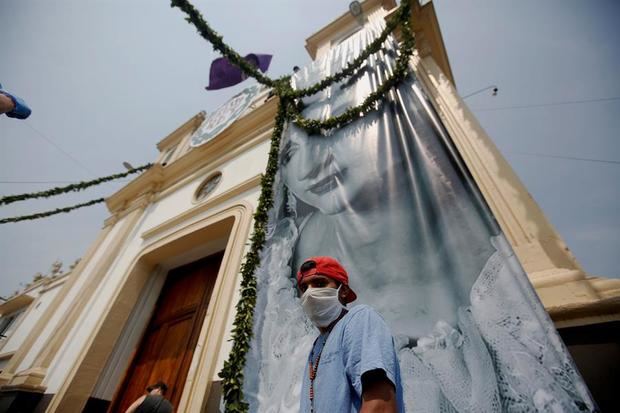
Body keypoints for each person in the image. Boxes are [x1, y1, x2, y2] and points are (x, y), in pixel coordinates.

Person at [296, 256, 404, 413]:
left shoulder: (360, 319)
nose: (310, 293)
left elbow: (380, 405)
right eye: (305, 288)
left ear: (344, 290)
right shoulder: (316, 346)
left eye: (320, 284)